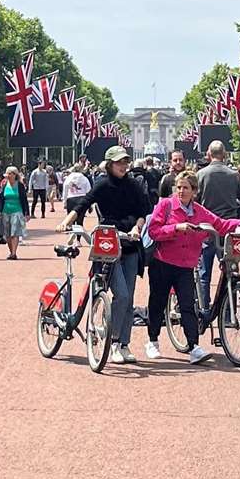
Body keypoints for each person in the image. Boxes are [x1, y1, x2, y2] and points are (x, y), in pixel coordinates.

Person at [144, 171, 240, 364]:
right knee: (157, 302)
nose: (181, 191)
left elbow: (221, 224)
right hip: (163, 262)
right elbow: (154, 231)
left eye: (186, 188)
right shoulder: (166, 205)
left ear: (194, 191)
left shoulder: (199, 212)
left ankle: (193, 346)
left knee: (188, 305)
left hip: (186, 265)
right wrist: (175, 228)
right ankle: (153, 340)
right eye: (179, 187)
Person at [62, 145, 147, 363]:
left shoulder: (134, 185)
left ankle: (123, 345)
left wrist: (137, 228)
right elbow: (82, 204)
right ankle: (115, 340)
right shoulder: (101, 185)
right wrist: (66, 222)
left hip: (130, 244)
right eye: (119, 163)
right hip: (108, 244)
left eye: (125, 162)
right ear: (109, 164)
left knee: (128, 300)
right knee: (122, 295)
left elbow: (142, 212)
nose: (124, 166)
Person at [196, 141, 240, 303]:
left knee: (205, 272)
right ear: (224, 155)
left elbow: (195, 201)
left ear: (209, 154)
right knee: (230, 271)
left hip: (207, 228)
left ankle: (205, 308)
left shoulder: (201, 175)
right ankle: (227, 311)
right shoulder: (234, 175)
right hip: (228, 227)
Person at [0, 166, 29, 259]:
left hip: (17, 210)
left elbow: (24, 199)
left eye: (10, 174)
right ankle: (11, 251)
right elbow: (1, 199)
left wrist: (26, 213)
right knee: (7, 234)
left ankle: (14, 253)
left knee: (14, 233)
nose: (8, 176)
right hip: (5, 211)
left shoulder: (19, 186)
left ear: (14, 175)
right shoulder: (4, 185)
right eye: (7, 174)